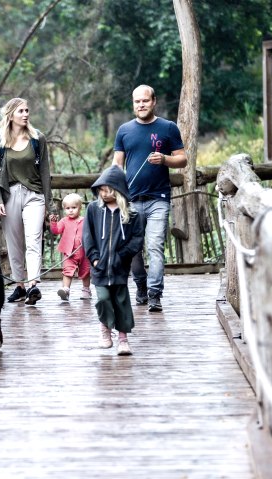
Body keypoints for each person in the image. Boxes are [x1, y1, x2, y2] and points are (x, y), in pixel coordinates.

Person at [112, 84, 187, 312]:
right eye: (137, 101)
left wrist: (164, 159)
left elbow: (182, 159)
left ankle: (155, 294)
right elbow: (117, 164)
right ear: (133, 104)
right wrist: (116, 190)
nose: (141, 105)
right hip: (133, 199)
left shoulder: (168, 128)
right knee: (133, 249)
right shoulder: (124, 130)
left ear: (154, 102)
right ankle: (141, 287)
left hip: (158, 199)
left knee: (155, 246)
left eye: (145, 101)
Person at [0, 97, 56, 305]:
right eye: (21, 111)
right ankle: (19, 286)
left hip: (34, 195)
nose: (26, 114)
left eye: (27, 110)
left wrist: (50, 203)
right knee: (14, 243)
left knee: (34, 239)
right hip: (9, 195)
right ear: (10, 115)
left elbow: (45, 172)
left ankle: (33, 285)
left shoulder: (38, 139)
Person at [82, 165, 144, 356]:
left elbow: (137, 239)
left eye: (108, 189)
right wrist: (93, 258)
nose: (103, 193)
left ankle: (123, 339)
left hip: (119, 268)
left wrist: (122, 256)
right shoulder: (93, 209)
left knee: (121, 302)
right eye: (101, 189)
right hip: (99, 268)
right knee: (103, 299)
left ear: (118, 189)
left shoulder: (133, 213)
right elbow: (87, 236)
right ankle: (105, 332)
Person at [48, 193, 91, 301]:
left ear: (80, 208)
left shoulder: (85, 220)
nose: (70, 210)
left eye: (74, 207)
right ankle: (65, 290)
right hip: (69, 252)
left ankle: (86, 289)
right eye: (67, 208)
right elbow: (56, 231)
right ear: (64, 209)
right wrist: (53, 223)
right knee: (67, 271)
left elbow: (91, 233)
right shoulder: (63, 221)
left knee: (85, 271)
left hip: (84, 252)